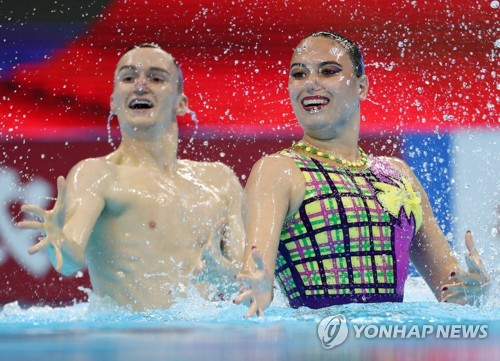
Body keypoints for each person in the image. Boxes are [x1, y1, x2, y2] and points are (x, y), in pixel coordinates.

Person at [234, 31, 490, 317]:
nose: (311, 83)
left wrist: (474, 292)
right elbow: (255, 268)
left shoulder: (397, 173)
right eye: (299, 74)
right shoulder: (278, 171)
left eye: (328, 71)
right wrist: (259, 285)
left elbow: (452, 292)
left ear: (361, 87)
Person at [17, 44, 245, 311]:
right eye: (128, 77)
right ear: (113, 101)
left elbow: (248, 276)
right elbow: (69, 261)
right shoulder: (97, 175)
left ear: (181, 103)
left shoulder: (219, 181)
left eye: (156, 77)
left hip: (203, 341)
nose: (140, 85)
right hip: (129, 341)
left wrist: (228, 278)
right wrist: (58, 241)